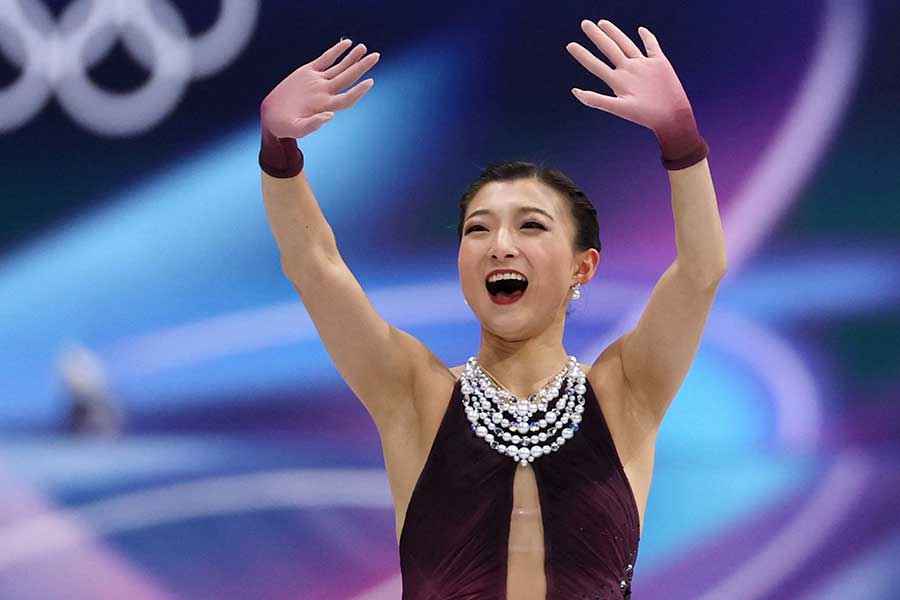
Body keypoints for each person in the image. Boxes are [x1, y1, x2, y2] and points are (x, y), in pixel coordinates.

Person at [258, 19, 726, 600]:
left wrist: (682, 142)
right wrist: (278, 152)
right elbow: (315, 266)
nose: (501, 244)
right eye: (478, 229)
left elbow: (701, 273)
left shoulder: (625, 393)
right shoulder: (415, 396)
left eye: (531, 225)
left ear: (583, 267)